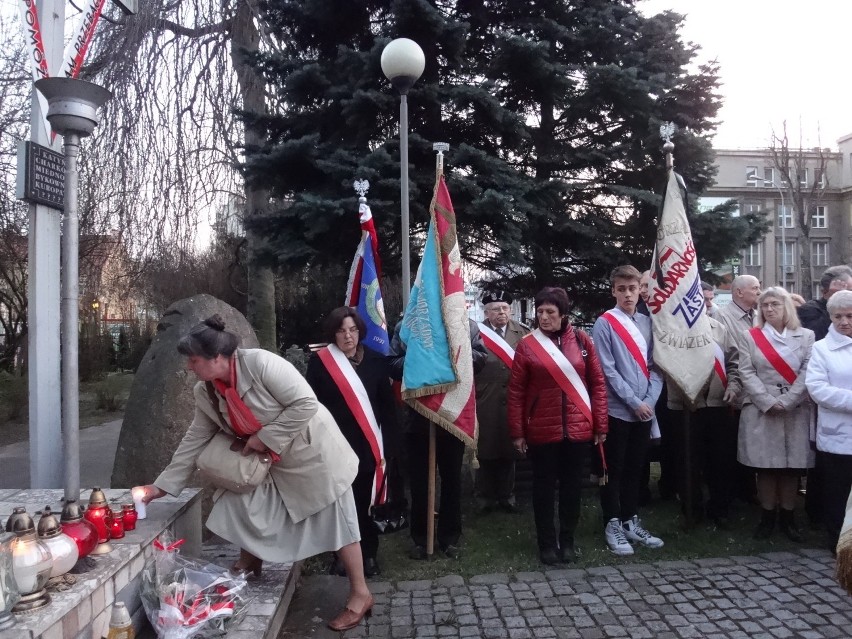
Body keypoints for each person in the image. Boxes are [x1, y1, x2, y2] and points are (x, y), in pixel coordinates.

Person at [134, 315, 373, 632]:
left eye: (193, 360)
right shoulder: (206, 392)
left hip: (312, 453)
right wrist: (161, 487)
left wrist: (265, 438)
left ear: (216, 358)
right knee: (242, 499)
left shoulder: (261, 364)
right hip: (269, 462)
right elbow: (196, 438)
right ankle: (253, 559)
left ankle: (360, 593)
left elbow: (305, 404)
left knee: (340, 523)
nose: (190, 367)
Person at [507, 287, 608, 564]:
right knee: (543, 488)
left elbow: (597, 385)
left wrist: (600, 425)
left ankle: (568, 541)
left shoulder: (583, 342)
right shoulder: (528, 345)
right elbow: (516, 391)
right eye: (540, 312)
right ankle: (546, 543)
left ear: (564, 314)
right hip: (542, 430)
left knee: (571, 488)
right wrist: (517, 432)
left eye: (550, 312)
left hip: (578, 431)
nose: (544, 317)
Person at [305, 307, 397, 577]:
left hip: (370, 447)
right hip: (336, 447)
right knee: (340, 506)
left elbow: (387, 407)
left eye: (353, 330)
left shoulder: (376, 361)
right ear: (333, 334)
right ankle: (341, 557)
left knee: (365, 504)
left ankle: (369, 556)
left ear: (361, 332)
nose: (348, 336)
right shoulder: (321, 363)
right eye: (342, 330)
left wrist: (391, 447)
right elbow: (313, 406)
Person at [388, 318, 488, 559]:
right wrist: (422, 361)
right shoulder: (407, 325)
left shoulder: (464, 324)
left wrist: (450, 358)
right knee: (420, 482)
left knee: (452, 479)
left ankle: (450, 537)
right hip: (417, 417)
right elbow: (392, 363)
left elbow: (481, 358)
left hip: (452, 414)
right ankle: (422, 539)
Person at [592, 265, 664, 556]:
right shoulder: (604, 323)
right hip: (618, 411)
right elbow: (607, 371)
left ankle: (630, 520)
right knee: (614, 469)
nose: (627, 294)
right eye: (621, 289)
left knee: (636, 467)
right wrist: (634, 402)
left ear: (640, 290)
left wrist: (649, 401)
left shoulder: (648, 323)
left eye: (632, 289)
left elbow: (656, 367)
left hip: (645, 410)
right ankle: (612, 522)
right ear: (613, 291)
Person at [738, 288, 814, 541]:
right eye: (764, 305)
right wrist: (768, 401)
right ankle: (767, 517)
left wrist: (789, 400)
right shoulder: (751, 336)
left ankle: (789, 518)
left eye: (775, 304)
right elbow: (745, 372)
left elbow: (808, 371)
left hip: (796, 409)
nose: (769, 309)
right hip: (763, 409)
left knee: (791, 467)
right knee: (767, 467)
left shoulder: (806, 336)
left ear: (786, 307)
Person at [667, 316, 740, 526]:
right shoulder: (672, 328)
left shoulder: (719, 328)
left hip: (718, 404)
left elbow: (733, 361)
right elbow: (666, 364)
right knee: (687, 461)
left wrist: (733, 387)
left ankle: (720, 509)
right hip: (686, 405)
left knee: (720, 461)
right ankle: (692, 509)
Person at [798, 265, 852, 529]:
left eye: (850, 316)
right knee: (837, 493)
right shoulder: (821, 349)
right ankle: (835, 539)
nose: (844, 322)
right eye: (838, 316)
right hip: (838, 436)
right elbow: (817, 388)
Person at [476, 290, 530, 513]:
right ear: (486, 312)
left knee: (510, 449)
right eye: (496, 309)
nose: (501, 312)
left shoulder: (523, 333)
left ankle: (507, 496)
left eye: (505, 308)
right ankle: (484, 497)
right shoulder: (476, 333)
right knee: (485, 450)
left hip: (513, 399)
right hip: (484, 398)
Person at [797, 265, 852, 340]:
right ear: (825, 292)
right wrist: (835, 302)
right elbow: (817, 336)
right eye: (848, 292)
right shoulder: (809, 310)